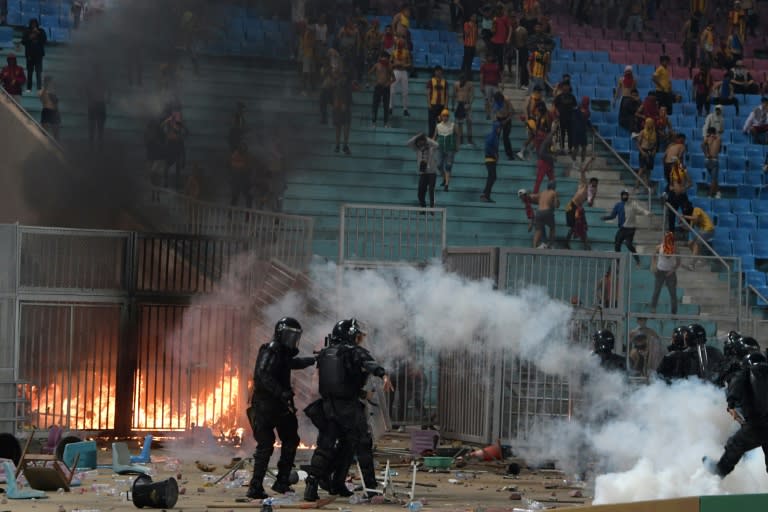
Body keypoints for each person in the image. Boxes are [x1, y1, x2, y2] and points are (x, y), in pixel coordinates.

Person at [304, 319, 392, 502]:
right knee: (362, 444)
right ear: (351, 335)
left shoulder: (325, 353)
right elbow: (367, 364)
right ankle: (371, 489)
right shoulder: (353, 352)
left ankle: (316, 484)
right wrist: (383, 374)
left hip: (327, 406)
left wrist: (360, 392)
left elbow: (338, 381)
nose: (360, 341)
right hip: (348, 408)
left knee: (328, 445)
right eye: (358, 336)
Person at [246, 317, 316, 499]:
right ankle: (256, 487)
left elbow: (292, 364)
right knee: (266, 445)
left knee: (291, 440)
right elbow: (262, 375)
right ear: (280, 333)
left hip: (278, 406)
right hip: (265, 405)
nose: (292, 340)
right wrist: (281, 392)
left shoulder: (282, 354)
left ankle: (282, 482)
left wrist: (313, 360)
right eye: (290, 335)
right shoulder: (271, 349)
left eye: (295, 336)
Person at [703, 353, 768, 479]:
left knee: (735, 444)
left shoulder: (746, 372)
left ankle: (720, 470)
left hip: (756, 425)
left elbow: (735, 386)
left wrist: (731, 404)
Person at [602, 190, 651, 267]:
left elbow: (641, 210)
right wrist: (605, 218)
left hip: (630, 229)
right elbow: (613, 215)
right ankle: (618, 261)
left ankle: (637, 260)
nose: (625, 196)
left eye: (626, 195)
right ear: (621, 196)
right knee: (617, 244)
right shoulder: (618, 205)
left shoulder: (633, 204)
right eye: (623, 195)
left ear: (628, 196)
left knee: (629, 245)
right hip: (622, 229)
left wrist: (647, 213)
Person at [564, 155, 598, 250]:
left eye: (595, 186)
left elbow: (590, 205)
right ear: (590, 183)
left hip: (578, 209)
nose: (594, 186)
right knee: (573, 226)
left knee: (582, 226)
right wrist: (590, 161)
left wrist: (593, 197)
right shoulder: (584, 185)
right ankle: (568, 242)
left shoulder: (590, 193)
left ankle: (586, 244)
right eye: (593, 184)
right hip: (571, 205)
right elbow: (583, 170)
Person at [650, 232, 681, 315]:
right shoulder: (659, 247)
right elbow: (653, 256)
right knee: (656, 291)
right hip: (660, 271)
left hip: (670, 273)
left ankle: (674, 311)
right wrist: (653, 265)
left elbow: (678, 262)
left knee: (673, 293)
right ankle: (653, 309)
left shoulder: (675, 249)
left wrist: (672, 271)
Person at [406, 133, 440, 208]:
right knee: (420, 192)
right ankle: (423, 208)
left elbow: (437, 144)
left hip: (432, 172)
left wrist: (426, 138)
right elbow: (408, 143)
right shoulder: (417, 149)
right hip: (423, 173)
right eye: (419, 143)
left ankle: (432, 207)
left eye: (422, 142)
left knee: (431, 190)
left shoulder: (431, 147)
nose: (420, 144)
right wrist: (416, 136)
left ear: (424, 141)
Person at [681, 203, 715, 271]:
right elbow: (690, 228)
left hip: (709, 229)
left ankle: (691, 265)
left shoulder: (696, 209)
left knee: (696, 244)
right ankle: (699, 259)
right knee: (690, 244)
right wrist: (684, 226)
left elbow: (695, 218)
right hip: (702, 232)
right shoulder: (691, 219)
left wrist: (684, 216)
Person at [161, 109, 188, 189]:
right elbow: (161, 126)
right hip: (170, 147)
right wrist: (168, 120)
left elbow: (186, 132)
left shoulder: (179, 125)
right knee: (167, 166)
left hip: (178, 146)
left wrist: (181, 124)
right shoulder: (169, 125)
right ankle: (165, 182)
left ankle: (177, 183)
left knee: (178, 166)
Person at [433, 109, 459, 192]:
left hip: (450, 148)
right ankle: (444, 178)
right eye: (443, 116)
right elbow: (435, 136)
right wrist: (431, 145)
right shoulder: (438, 126)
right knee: (439, 165)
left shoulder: (453, 125)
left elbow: (458, 135)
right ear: (441, 116)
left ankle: (447, 184)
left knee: (448, 166)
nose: (445, 117)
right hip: (440, 147)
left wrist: (457, 145)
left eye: (446, 116)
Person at [85, 64, 108, 150]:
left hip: (97, 104)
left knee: (96, 127)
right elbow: (86, 91)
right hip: (97, 104)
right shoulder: (96, 80)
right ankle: (95, 145)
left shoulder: (96, 80)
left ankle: (96, 145)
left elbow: (86, 91)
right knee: (96, 127)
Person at [530, 181, 559, 248]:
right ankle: (550, 244)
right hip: (547, 212)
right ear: (554, 187)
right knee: (552, 227)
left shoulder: (542, 192)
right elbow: (556, 205)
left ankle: (534, 247)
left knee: (538, 231)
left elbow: (533, 197)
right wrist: (557, 200)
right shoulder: (553, 193)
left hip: (538, 212)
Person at [21, 18, 46, 92]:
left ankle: (39, 88)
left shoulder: (41, 31)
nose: (34, 25)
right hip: (29, 55)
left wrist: (38, 33)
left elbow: (44, 41)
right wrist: (30, 37)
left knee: (38, 72)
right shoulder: (27, 31)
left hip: (39, 55)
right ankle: (29, 88)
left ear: (37, 24)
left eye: (35, 24)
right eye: (32, 24)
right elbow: (23, 42)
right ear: (30, 24)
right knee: (29, 72)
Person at [369, 52, 394, 127]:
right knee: (375, 105)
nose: (385, 59)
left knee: (386, 106)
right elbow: (369, 73)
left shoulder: (389, 66)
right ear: (381, 58)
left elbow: (394, 78)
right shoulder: (377, 65)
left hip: (386, 88)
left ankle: (386, 122)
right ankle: (374, 122)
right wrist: (373, 82)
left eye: (386, 58)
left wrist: (388, 83)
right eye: (384, 57)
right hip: (378, 86)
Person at [331, 70, 353, 155]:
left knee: (346, 127)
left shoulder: (348, 86)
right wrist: (335, 103)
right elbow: (333, 96)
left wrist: (346, 104)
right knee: (338, 128)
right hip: (337, 109)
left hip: (346, 109)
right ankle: (337, 145)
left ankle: (345, 145)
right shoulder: (335, 85)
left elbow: (350, 98)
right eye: (341, 77)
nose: (343, 79)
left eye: (344, 77)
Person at [389, 39, 411, 118]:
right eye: (399, 43)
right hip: (396, 71)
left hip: (404, 71)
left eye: (402, 43)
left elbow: (409, 63)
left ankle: (405, 109)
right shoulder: (393, 52)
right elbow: (390, 62)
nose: (400, 44)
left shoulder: (406, 52)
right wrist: (394, 64)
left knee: (405, 91)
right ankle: (390, 107)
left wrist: (405, 65)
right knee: (392, 89)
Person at [481, 121, 501, 203]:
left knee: (491, 177)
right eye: (499, 128)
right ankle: (486, 194)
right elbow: (488, 146)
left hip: (490, 159)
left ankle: (485, 193)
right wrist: (494, 154)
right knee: (492, 177)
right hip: (490, 159)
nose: (499, 130)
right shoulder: (493, 136)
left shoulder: (493, 136)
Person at [533, 125, 557, 194]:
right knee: (545, 179)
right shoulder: (546, 138)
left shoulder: (540, 137)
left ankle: (550, 193)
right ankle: (535, 193)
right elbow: (546, 151)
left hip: (546, 161)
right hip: (544, 161)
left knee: (550, 179)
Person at [635, 117, 657, 190]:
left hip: (650, 151)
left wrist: (654, 151)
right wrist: (642, 151)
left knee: (648, 169)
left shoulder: (654, 133)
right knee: (641, 168)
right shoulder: (642, 132)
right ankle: (637, 183)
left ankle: (647, 184)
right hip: (643, 150)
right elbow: (638, 144)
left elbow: (655, 145)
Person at [453, 72, 474, 146]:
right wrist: (455, 106)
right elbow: (454, 95)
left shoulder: (470, 84)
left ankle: (469, 140)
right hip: (459, 104)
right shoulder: (456, 84)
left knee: (469, 122)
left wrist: (469, 104)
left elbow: (472, 95)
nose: (462, 80)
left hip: (466, 103)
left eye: (463, 79)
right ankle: (460, 139)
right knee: (459, 123)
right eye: (461, 79)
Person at [426, 66, 448, 139]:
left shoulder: (445, 82)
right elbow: (428, 93)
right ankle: (431, 139)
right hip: (433, 105)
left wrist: (446, 105)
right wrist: (429, 104)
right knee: (432, 124)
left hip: (441, 106)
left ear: (442, 72)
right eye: (437, 71)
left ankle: (439, 140)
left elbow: (447, 94)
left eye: (440, 71)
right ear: (434, 72)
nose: (438, 72)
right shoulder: (430, 81)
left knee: (441, 124)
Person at [479, 55, 501, 121]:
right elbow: (481, 76)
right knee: (487, 101)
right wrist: (481, 85)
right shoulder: (484, 66)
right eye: (489, 57)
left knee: (496, 101)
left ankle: (494, 114)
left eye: (491, 57)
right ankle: (488, 114)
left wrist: (502, 84)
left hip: (495, 86)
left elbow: (500, 75)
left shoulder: (497, 66)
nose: (490, 58)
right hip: (487, 85)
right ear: (487, 58)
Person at [38, 75, 60, 141]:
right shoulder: (42, 90)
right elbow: (43, 99)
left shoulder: (54, 90)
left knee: (56, 133)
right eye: (48, 82)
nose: (50, 83)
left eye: (50, 82)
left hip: (55, 111)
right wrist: (45, 88)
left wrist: (57, 112)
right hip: (46, 111)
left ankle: (56, 147)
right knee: (44, 133)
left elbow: (56, 102)